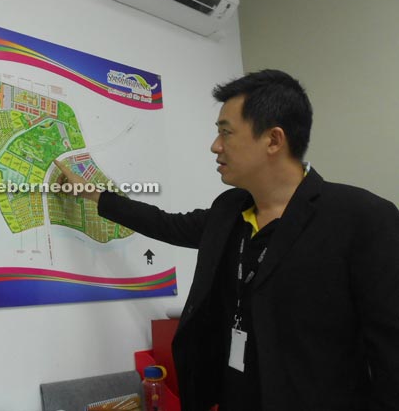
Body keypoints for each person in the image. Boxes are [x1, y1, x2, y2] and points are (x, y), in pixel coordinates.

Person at [53, 69, 399, 411]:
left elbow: (390, 352)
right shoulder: (230, 211)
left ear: (273, 140)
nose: (215, 146)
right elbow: (168, 226)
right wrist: (96, 195)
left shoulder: (361, 218)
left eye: (226, 132)